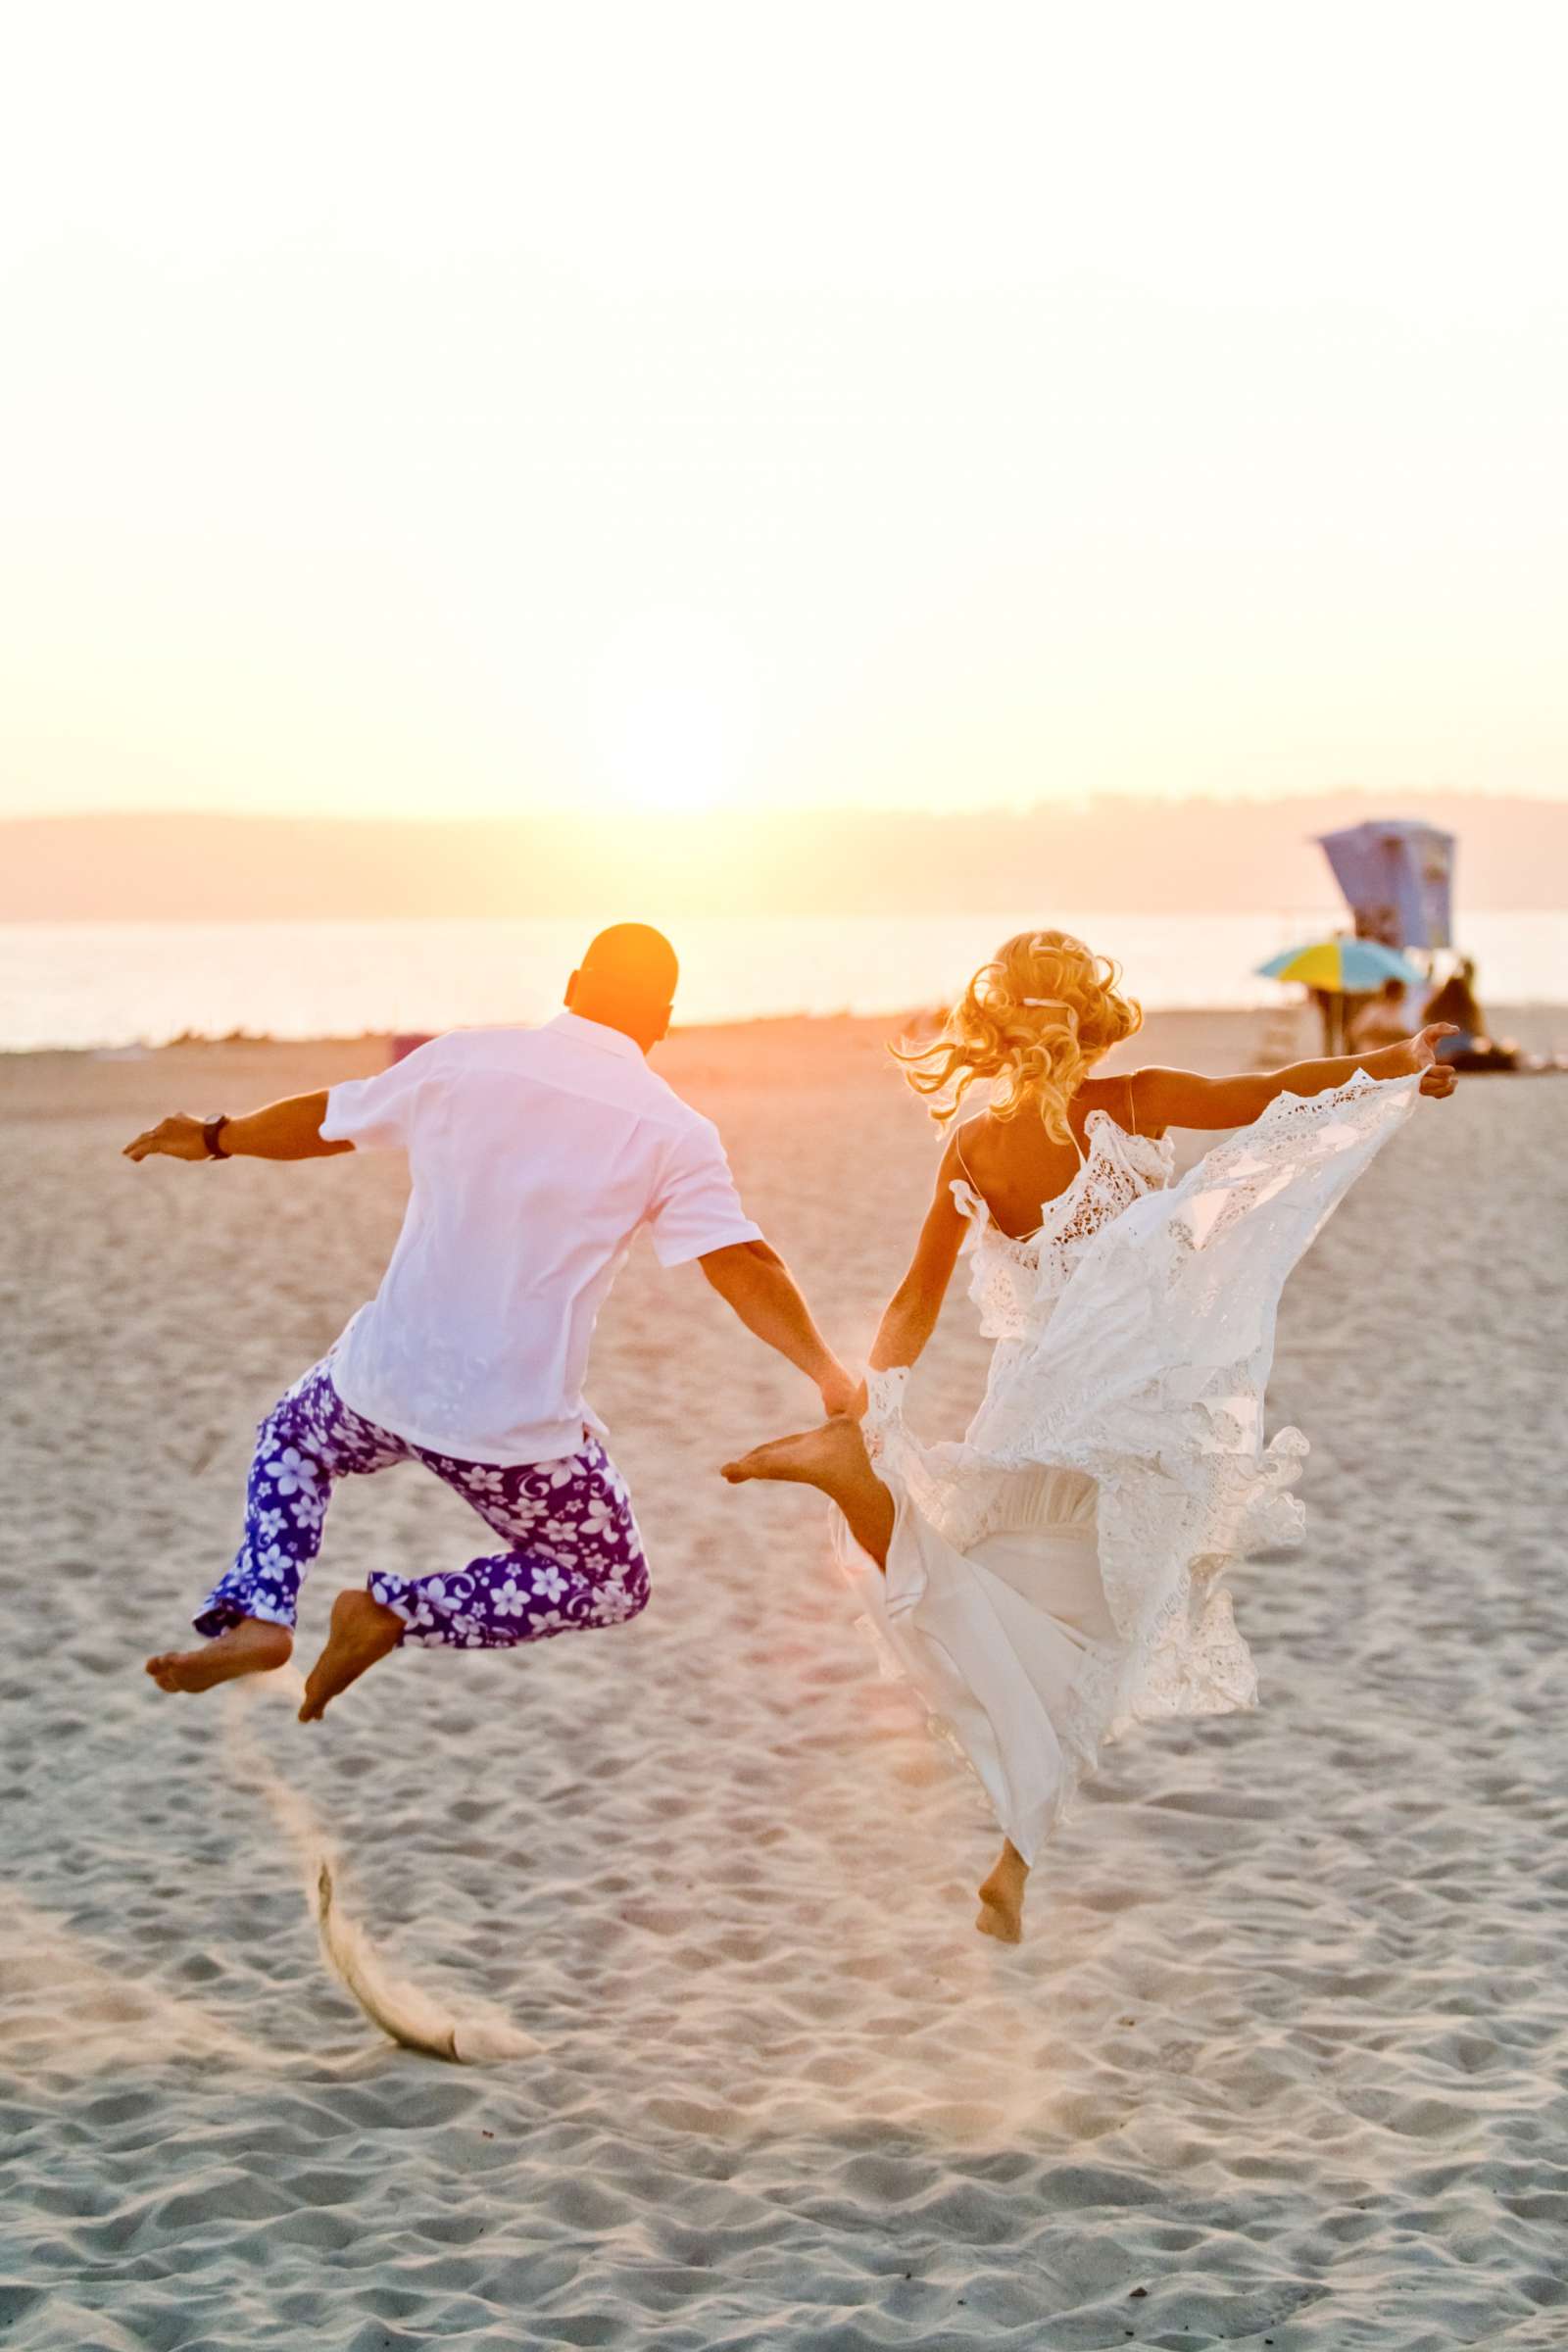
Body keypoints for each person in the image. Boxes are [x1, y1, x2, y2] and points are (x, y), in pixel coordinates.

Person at [723, 929, 1457, 1943]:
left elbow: (914, 1301)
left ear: (993, 1026)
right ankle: (1015, 1859)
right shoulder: (1129, 1102)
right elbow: (1274, 1096)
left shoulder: (971, 1148)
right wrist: (1393, 1065)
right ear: (1094, 1022)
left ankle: (861, 1488)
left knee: (995, 1600)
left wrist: (872, 1401)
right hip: (1133, 1405)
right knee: (1106, 1636)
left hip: (1028, 1406)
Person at [125, 924, 858, 1721]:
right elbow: (740, 1263)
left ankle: (264, 1612)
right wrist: (824, 1369)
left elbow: (327, 1122)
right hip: (512, 1430)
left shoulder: (462, 1060)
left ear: (575, 982)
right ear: (665, 1017)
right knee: (608, 1581)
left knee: (292, 1441)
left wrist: (214, 1137)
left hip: (382, 1382)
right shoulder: (674, 1131)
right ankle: (394, 1612)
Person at [1348, 976, 1412, 1054]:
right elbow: (1357, 1033)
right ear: (1394, 993)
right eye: (1402, 992)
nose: (1404, 996)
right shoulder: (1374, 1010)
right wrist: (1389, 1034)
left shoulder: (1397, 1012)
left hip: (1386, 1057)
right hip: (1370, 1056)